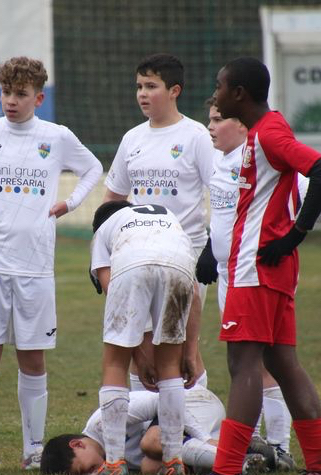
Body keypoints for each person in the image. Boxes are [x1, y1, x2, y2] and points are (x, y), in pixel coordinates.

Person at [169, 57, 321, 475]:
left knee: (242, 364)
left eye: (220, 86)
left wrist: (293, 236)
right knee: (283, 365)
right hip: (264, 270)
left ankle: (227, 473)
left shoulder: (268, 133)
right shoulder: (259, 135)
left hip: (255, 270)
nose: (216, 94)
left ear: (239, 94)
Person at [0, 56, 103, 474]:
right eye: (5, 92)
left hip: (36, 268)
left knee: (33, 359)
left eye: (20, 94)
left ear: (38, 97)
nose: (11, 101)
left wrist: (69, 203)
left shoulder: (56, 137)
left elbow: (93, 168)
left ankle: (34, 450)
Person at [196, 97, 301, 473]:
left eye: (218, 119)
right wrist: (211, 247)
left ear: (243, 125)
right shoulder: (218, 162)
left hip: (258, 272)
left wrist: (288, 240)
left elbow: (298, 199)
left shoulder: (268, 158)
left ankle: (280, 445)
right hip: (230, 273)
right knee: (244, 362)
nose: (210, 126)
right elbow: (224, 214)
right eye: (209, 119)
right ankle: (253, 445)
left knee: (264, 362)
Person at [102, 53, 215, 389]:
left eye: (151, 86)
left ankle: (195, 423)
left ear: (174, 90)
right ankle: (146, 431)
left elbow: (221, 195)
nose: (142, 93)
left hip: (185, 256)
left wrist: (213, 246)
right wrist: (105, 249)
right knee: (140, 341)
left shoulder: (196, 136)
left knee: (176, 346)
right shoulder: (132, 139)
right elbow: (112, 201)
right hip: (136, 256)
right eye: (139, 86)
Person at [87, 200, 197, 475]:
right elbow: (194, 291)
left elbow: (113, 289)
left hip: (134, 265)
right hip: (181, 265)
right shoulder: (168, 216)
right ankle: (174, 460)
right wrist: (190, 351)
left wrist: (136, 352)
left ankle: (113, 462)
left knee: (114, 362)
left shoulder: (103, 232)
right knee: (170, 365)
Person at [40, 378, 225, 475]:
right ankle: (241, 456)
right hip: (189, 427)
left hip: (193, 403)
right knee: (150, 467)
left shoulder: (103, 421)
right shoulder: (110, 459)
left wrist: (204, 437)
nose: (91, 474)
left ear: (77, 445)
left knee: (151, 442)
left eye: (84, 470)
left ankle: (233, 460)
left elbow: (164, 400)